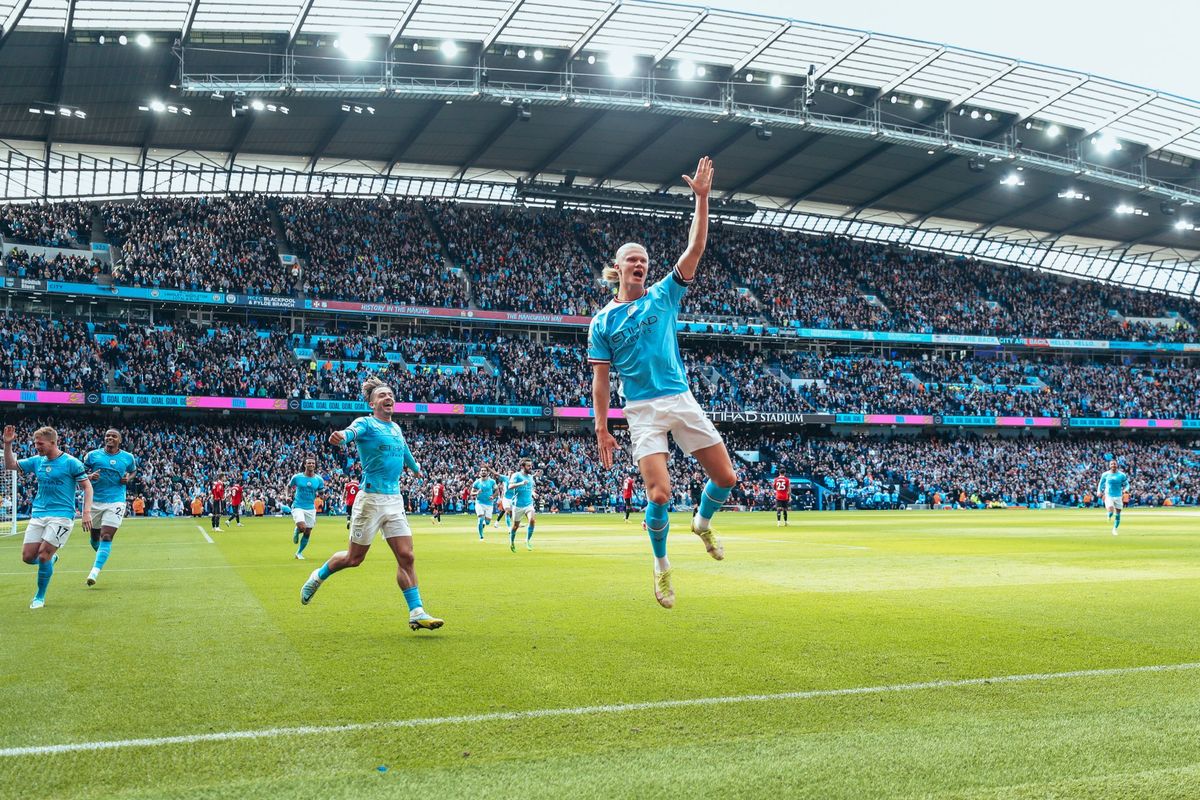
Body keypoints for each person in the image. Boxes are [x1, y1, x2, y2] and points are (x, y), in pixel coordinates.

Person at [588, 156, 735, 609]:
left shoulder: (664, 294)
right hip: (643, 410)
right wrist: (601, 426)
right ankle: (662, 567)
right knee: (660, 492)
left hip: (680, 398)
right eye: (632, 259)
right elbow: (600, 379)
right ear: (617, 268)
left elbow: (694, 249)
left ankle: (703, 523)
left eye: (645, 260)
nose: (640, 264)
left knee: (726, 478)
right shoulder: (602, 321)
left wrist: (702, 200)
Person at [301, 376, 442, 631]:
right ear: (372, 402)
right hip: (370, 501)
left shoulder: (396, 428)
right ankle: (317, 576)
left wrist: (415, 467)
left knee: (406, 557)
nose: (388, 398)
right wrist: (342, 437)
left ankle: (416, 611)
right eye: (382, 395)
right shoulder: (366, 422)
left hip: (394, 499)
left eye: (390, 394)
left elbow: (405, 450)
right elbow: (351, 433)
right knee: (354, 559)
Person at [3, 425, 93, 609]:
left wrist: (86, 513)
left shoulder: (71, 463)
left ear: (53, 442)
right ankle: (51, 560)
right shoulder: (37, 461)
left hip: (62, 516)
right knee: (28, 557)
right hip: (38, 514)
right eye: (35, 443)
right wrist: (7, 445)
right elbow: (10, 465)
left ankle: (39, 597)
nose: (37, 446)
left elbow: (87, 487)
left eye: (40, 443)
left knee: (43, 555)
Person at [82, 428, 138, 586]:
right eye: (107, 435)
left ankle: (94, 572)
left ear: (119, 440)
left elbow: (133, 471)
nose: (110, 438)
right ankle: (102, 554)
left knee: (106, 536)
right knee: (94, 538)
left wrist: (129, 478)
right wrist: (90, 476)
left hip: (116, 500)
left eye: (113, 436)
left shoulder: (128, 457)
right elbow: (79, 472)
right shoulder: (92, 455)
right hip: (94, 500)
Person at [289, 456, 325, 559]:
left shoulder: (319, 479)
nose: (311, 465)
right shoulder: (297, 477)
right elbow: (288, 486)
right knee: (302, 527)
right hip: (298, 506)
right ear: (304, 464)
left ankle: (299, 553)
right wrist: (287, 495)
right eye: (309, 463)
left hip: (310, 507)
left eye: (313, 463)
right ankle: (297, 530)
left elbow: (321, 493)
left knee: (308, 532)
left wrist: (324, 497)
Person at [507, 458, 537, 552]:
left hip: (529, 503)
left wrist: (533, 493)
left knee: (532, 520)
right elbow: (510, 486)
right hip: (518, 505)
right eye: (528, 466)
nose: (530, 467)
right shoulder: (516, 475)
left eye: (531, 465)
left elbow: (529, 487)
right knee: (515, 526)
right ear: (522, 466)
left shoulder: (531, 477)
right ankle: (512, 542)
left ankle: (527, 540)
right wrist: (521, 483)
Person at [1097, 460, 1130, 535]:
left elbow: (1127, 484)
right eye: (1111, 464)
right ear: (1109, 465)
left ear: (1117, 465)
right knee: (1111, 511)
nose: (1113, 465)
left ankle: (1114, 529)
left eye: (1114, 464)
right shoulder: (1105, 474)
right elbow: (1101, 483)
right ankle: (1109, 515)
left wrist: (1126, 489)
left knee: (1118, 514)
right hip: (1109, 495)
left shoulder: (1122, 475)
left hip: (1118, 496)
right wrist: (1099, 491)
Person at [470, 467, 497, 541]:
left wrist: (493, 496)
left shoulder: (492, 481)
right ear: (480, 472)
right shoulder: (477, 482)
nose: (483, 472)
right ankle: (481, 536)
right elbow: (471, 493)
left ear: (487, 472)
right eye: (482, 471)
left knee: (487, 522)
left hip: (489, 504)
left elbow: (497, 491)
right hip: (479, 503)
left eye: (485, 471)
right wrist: (476, 492)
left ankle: (484, 524)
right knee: (480, 519)